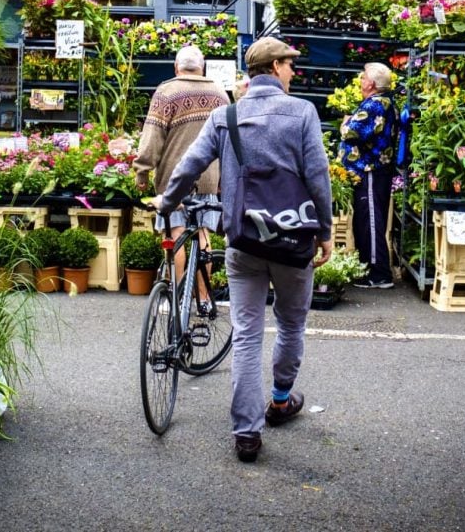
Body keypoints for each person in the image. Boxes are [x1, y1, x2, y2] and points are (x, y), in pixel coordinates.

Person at [154, 36, 333, 464]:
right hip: (293, 241)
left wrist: (166, 201)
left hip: (244, 242)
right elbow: (318, 176)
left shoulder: (226, 116)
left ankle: (246, 433)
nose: (293, 71)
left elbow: (190, 166)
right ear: (273, 68)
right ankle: (280, 399)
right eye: (289, 64)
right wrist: (324, 231)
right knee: (291, 325)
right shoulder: (303, 113)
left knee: (248, 335)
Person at [133, 44, 229, 283]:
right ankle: (204, 299)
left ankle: (175, 296)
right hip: (208, 179)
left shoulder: (167, 91)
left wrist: (142, 172)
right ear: (202, 67)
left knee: (175, 234)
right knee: (203, 234)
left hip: (172, 180)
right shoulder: (220, 93)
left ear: (176, 67)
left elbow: (152, 136)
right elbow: (228, 140)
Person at [339, 62, 397, 288]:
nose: (360, 82)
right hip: (371, 170)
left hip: (370, 169)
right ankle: (369, 268)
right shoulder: (380, 102)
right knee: (366, 219)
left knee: (371, 220)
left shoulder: (375, 105)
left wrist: (345, 123)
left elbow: (350, 131)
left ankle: (378, 273)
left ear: (371, 84)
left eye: (363, 78)